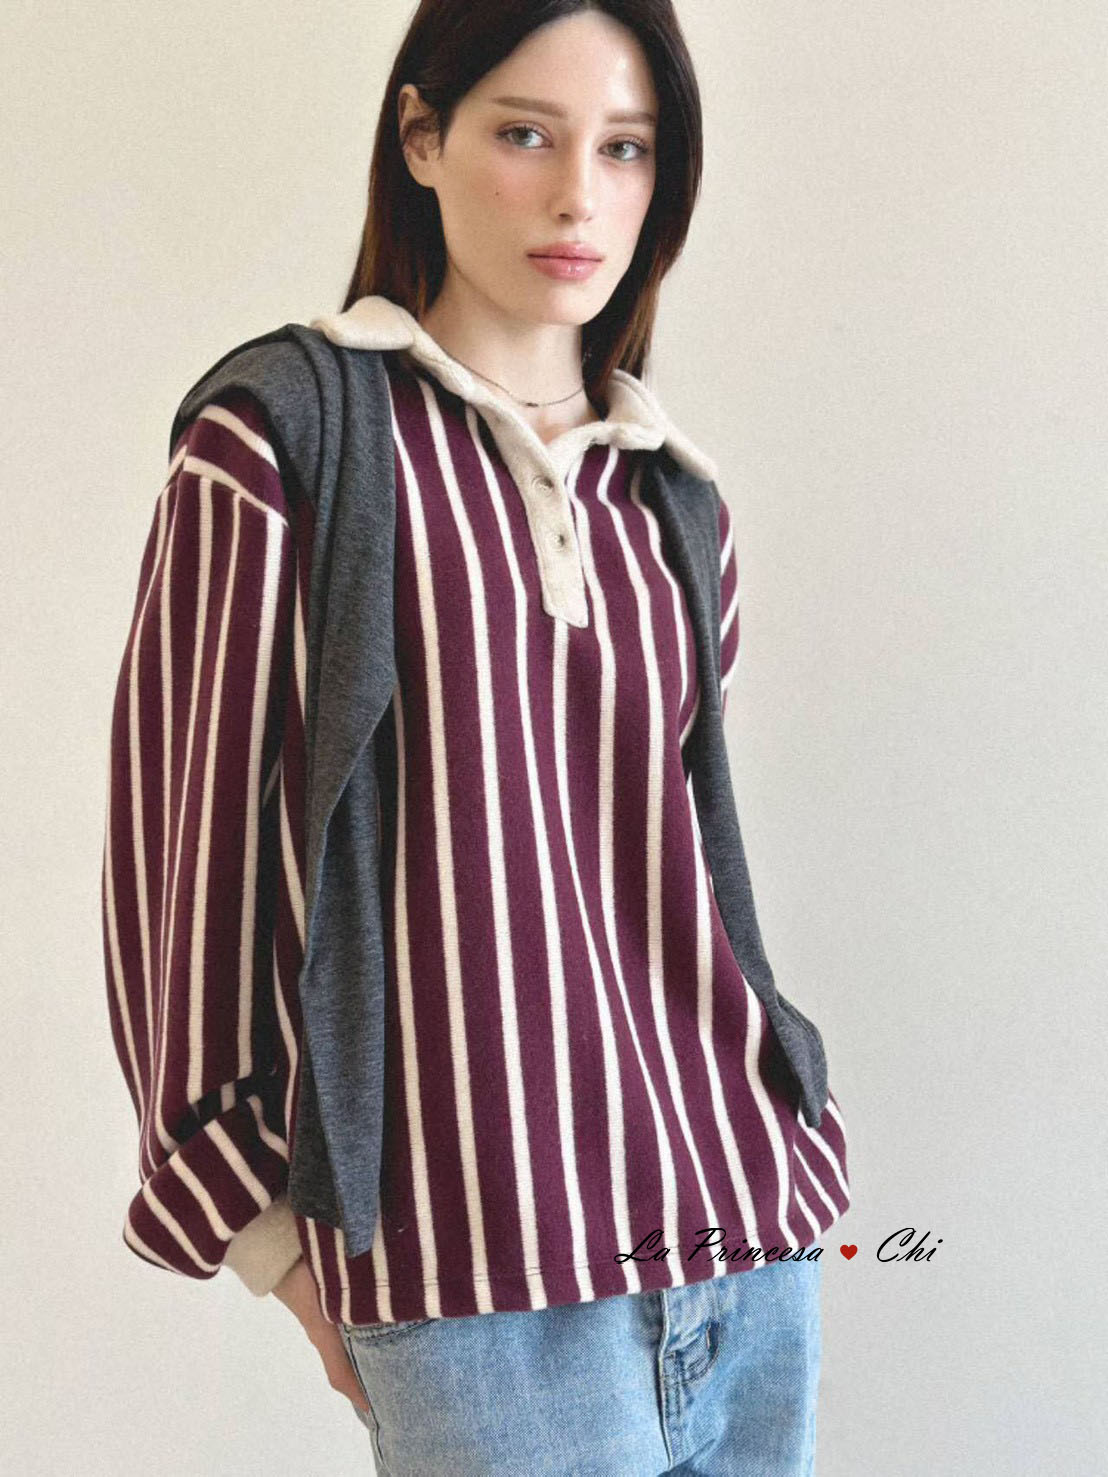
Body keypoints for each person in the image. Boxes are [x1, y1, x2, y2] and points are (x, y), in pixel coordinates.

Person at [101, 2, 851, 1471]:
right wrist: (270, 1237)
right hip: (475, 1285)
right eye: (525, 134)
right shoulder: (284, 444)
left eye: (626, 148)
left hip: (748, 1234)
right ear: (422, 138)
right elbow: (175, 871)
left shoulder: (677, 505)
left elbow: (671, 877)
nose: (580, 196)